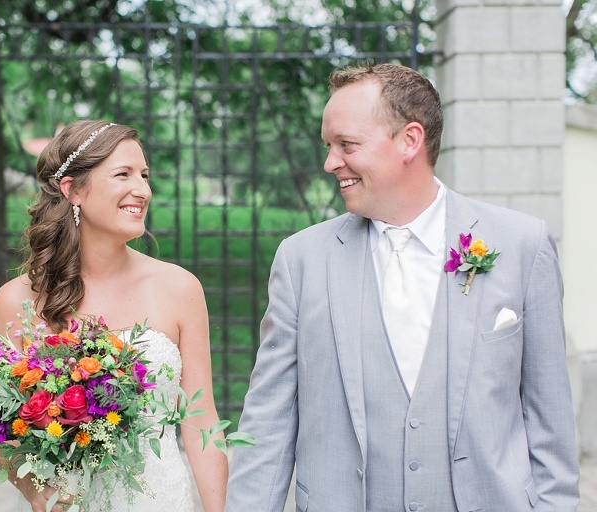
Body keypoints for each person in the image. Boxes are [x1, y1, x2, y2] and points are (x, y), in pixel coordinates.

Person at [225, 63, 580, 511]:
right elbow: (268, 422)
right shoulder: (302, 260)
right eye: (329, 146)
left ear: (409, 140)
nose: (330, 162)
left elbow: (550, 425)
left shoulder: (523, 245)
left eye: (346, 145)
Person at [0, 120, 228, 512]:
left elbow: (200, 419)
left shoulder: (179, 288)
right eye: (123, 175)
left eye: (145, 175)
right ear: (73, 190)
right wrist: (36, 491)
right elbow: (1, 428)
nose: (143, 190)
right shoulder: (15, 302)